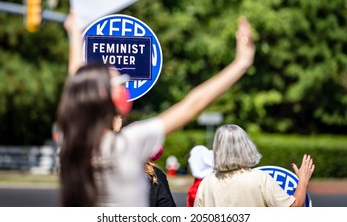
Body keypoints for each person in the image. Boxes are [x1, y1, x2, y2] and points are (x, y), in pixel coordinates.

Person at [57, 11, 255, 206]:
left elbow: (78, 85)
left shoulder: (73, 145)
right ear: (103, 96)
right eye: (118, 82)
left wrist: (75, 35)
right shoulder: (126, 145)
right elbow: (192, 105)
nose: (125, 86)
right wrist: (240, 64)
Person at [194, 124, 315, 207]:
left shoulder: (206, 182)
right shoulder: (260, 179)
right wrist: (303, 180)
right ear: (246, 146)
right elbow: (294, 208)